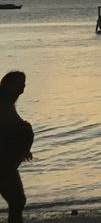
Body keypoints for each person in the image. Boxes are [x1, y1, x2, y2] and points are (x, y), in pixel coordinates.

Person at [0, 71, 32, 223]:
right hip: (3, 163)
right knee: (17, 200)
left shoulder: (8, 103)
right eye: (20, 84)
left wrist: (24, 148)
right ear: (9, 86)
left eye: (24, 84)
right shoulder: (3, 103)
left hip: (7, 161)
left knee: (18, 201)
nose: (23, 88)